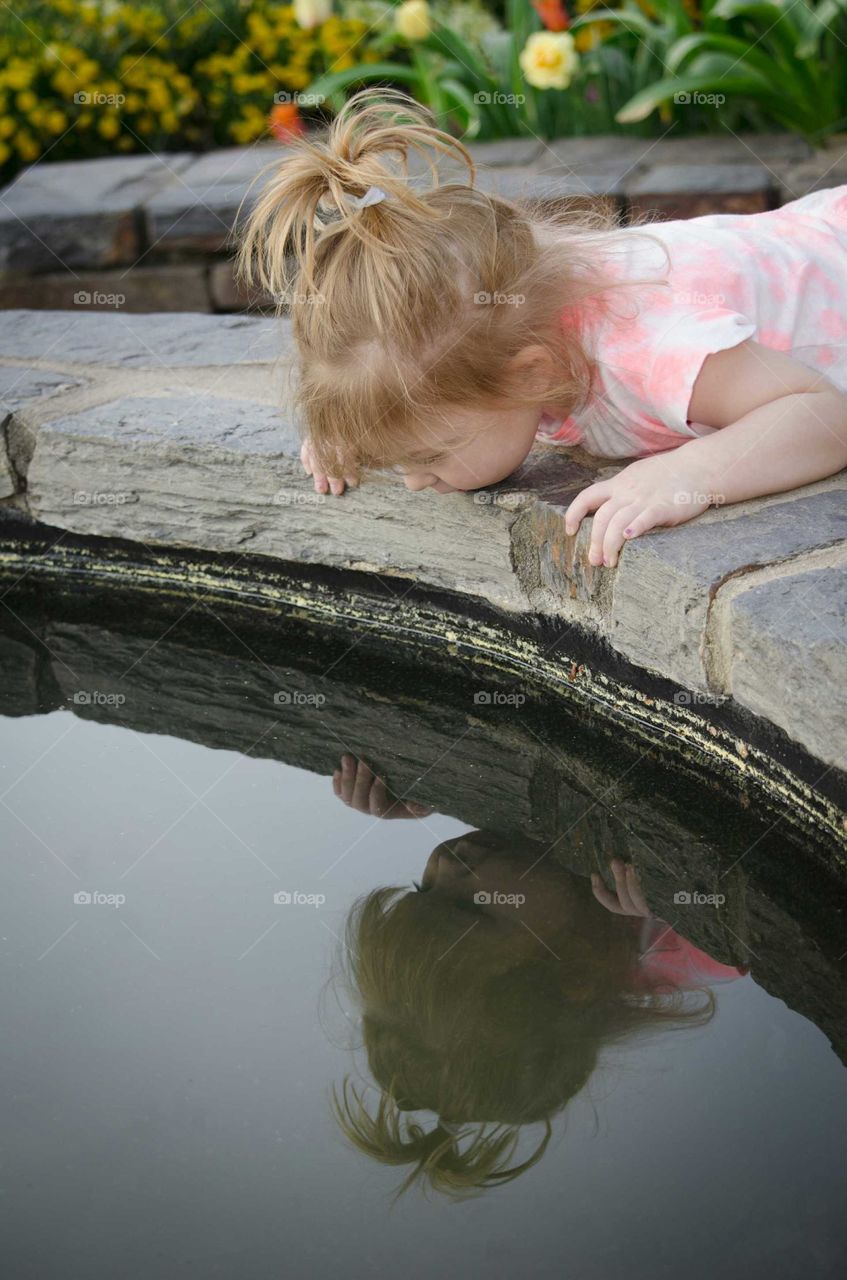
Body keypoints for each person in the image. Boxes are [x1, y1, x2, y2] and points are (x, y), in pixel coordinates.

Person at [237, 89, 847, 569]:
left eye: (428, 455)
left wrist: (692, 475)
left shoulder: (650, 350)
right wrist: (363, 434)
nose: (417, 481)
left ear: (529, 373)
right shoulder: (509, 311)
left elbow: (823, 416)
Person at [328, 755, 747, 1197]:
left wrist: (422, 782)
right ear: (574, 970)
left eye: (424, 888)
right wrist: (674, 896)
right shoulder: (689, 941)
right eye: (471, 908)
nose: (447, 865)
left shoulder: (543, 897)